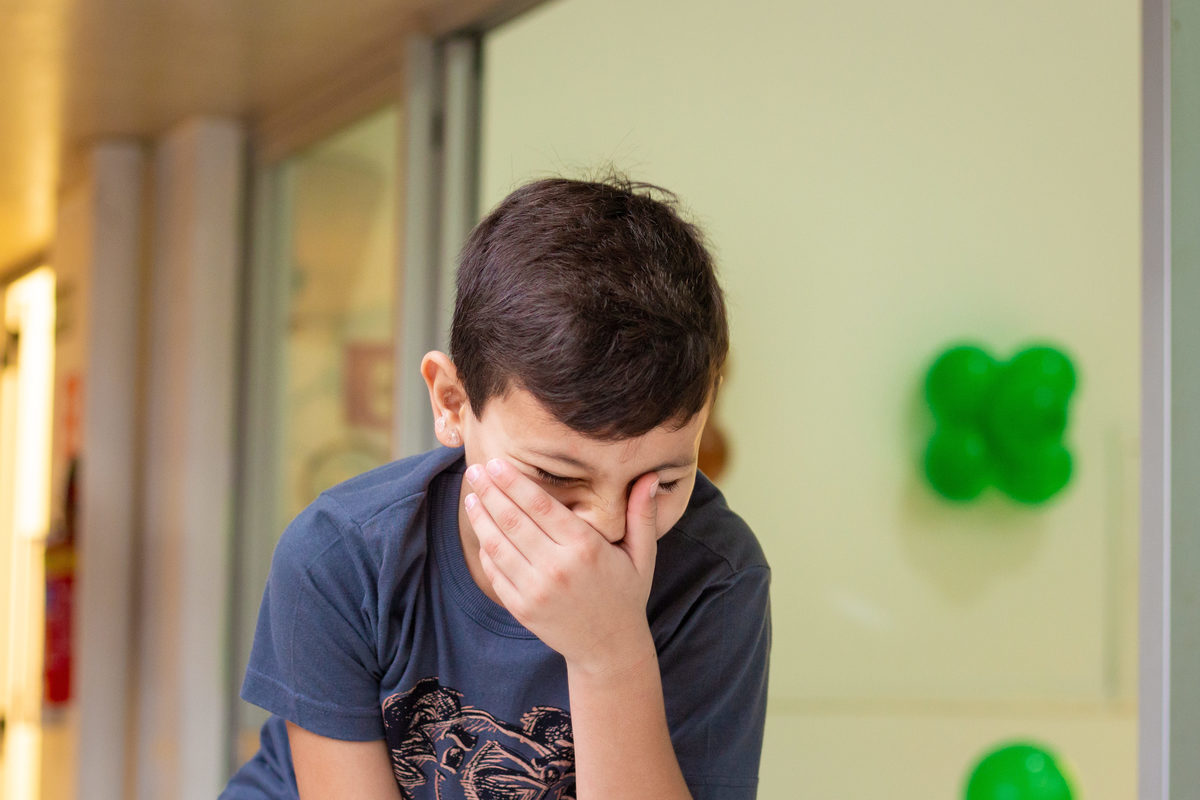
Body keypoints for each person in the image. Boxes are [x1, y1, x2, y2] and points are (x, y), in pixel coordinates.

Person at [221, 176, 771, 800]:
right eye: (558, 478)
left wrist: (610, 656)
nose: (608, 527)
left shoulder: (715, 575)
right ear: (452, 402)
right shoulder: (340, 555)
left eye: (661, 480)